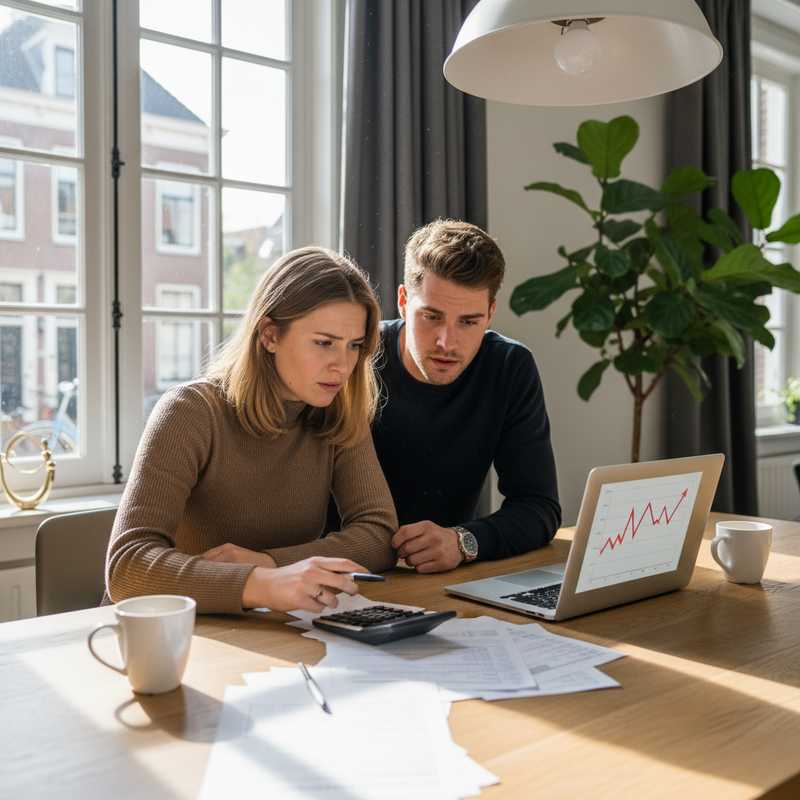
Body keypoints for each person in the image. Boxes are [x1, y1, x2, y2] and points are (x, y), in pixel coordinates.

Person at [106, 246, 398, 614]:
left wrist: (271, 563)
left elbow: (380, 535)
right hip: (172, 632)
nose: (342, 365)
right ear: (269, 335)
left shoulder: (337, 412)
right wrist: (261, 583)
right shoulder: (191, 412)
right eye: (324, 343)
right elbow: (126, 568)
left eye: (354, 346)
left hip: (273, 628)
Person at [376, 219, 561, 573]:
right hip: (345, 573)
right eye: (431, 317)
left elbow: (539, 507)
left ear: (491, 312)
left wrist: (463, 542)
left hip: (447, 577)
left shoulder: (509, 366)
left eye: (468, 322)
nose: (447, 342)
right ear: (403, 301)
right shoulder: (357, 357)